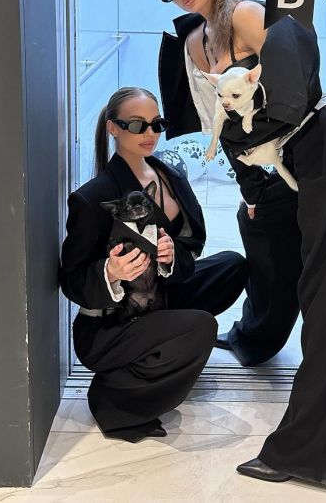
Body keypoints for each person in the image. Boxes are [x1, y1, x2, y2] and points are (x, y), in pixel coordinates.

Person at [156, 0, 326, 488]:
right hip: (282, 156)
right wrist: (251, 186)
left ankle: (304, 452)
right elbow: (219, 121)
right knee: (257, 225)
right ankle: (255, 336)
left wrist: (243, 144)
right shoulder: (195, 43)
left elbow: (292, 98)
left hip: (324, 141)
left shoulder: (249, 15)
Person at [59, 86, 247, 443]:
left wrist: (171, 256)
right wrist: (110, 273)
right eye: (137, 125)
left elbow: (193, 242)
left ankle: (167, 343)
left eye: (156, 124)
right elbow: (71, 279)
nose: (150, 134)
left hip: (158, 295)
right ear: (113, 128)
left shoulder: (169, 175)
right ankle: (115, 397)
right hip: (110, 325)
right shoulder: (93, 197)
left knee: (232, 266)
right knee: (201, 328)